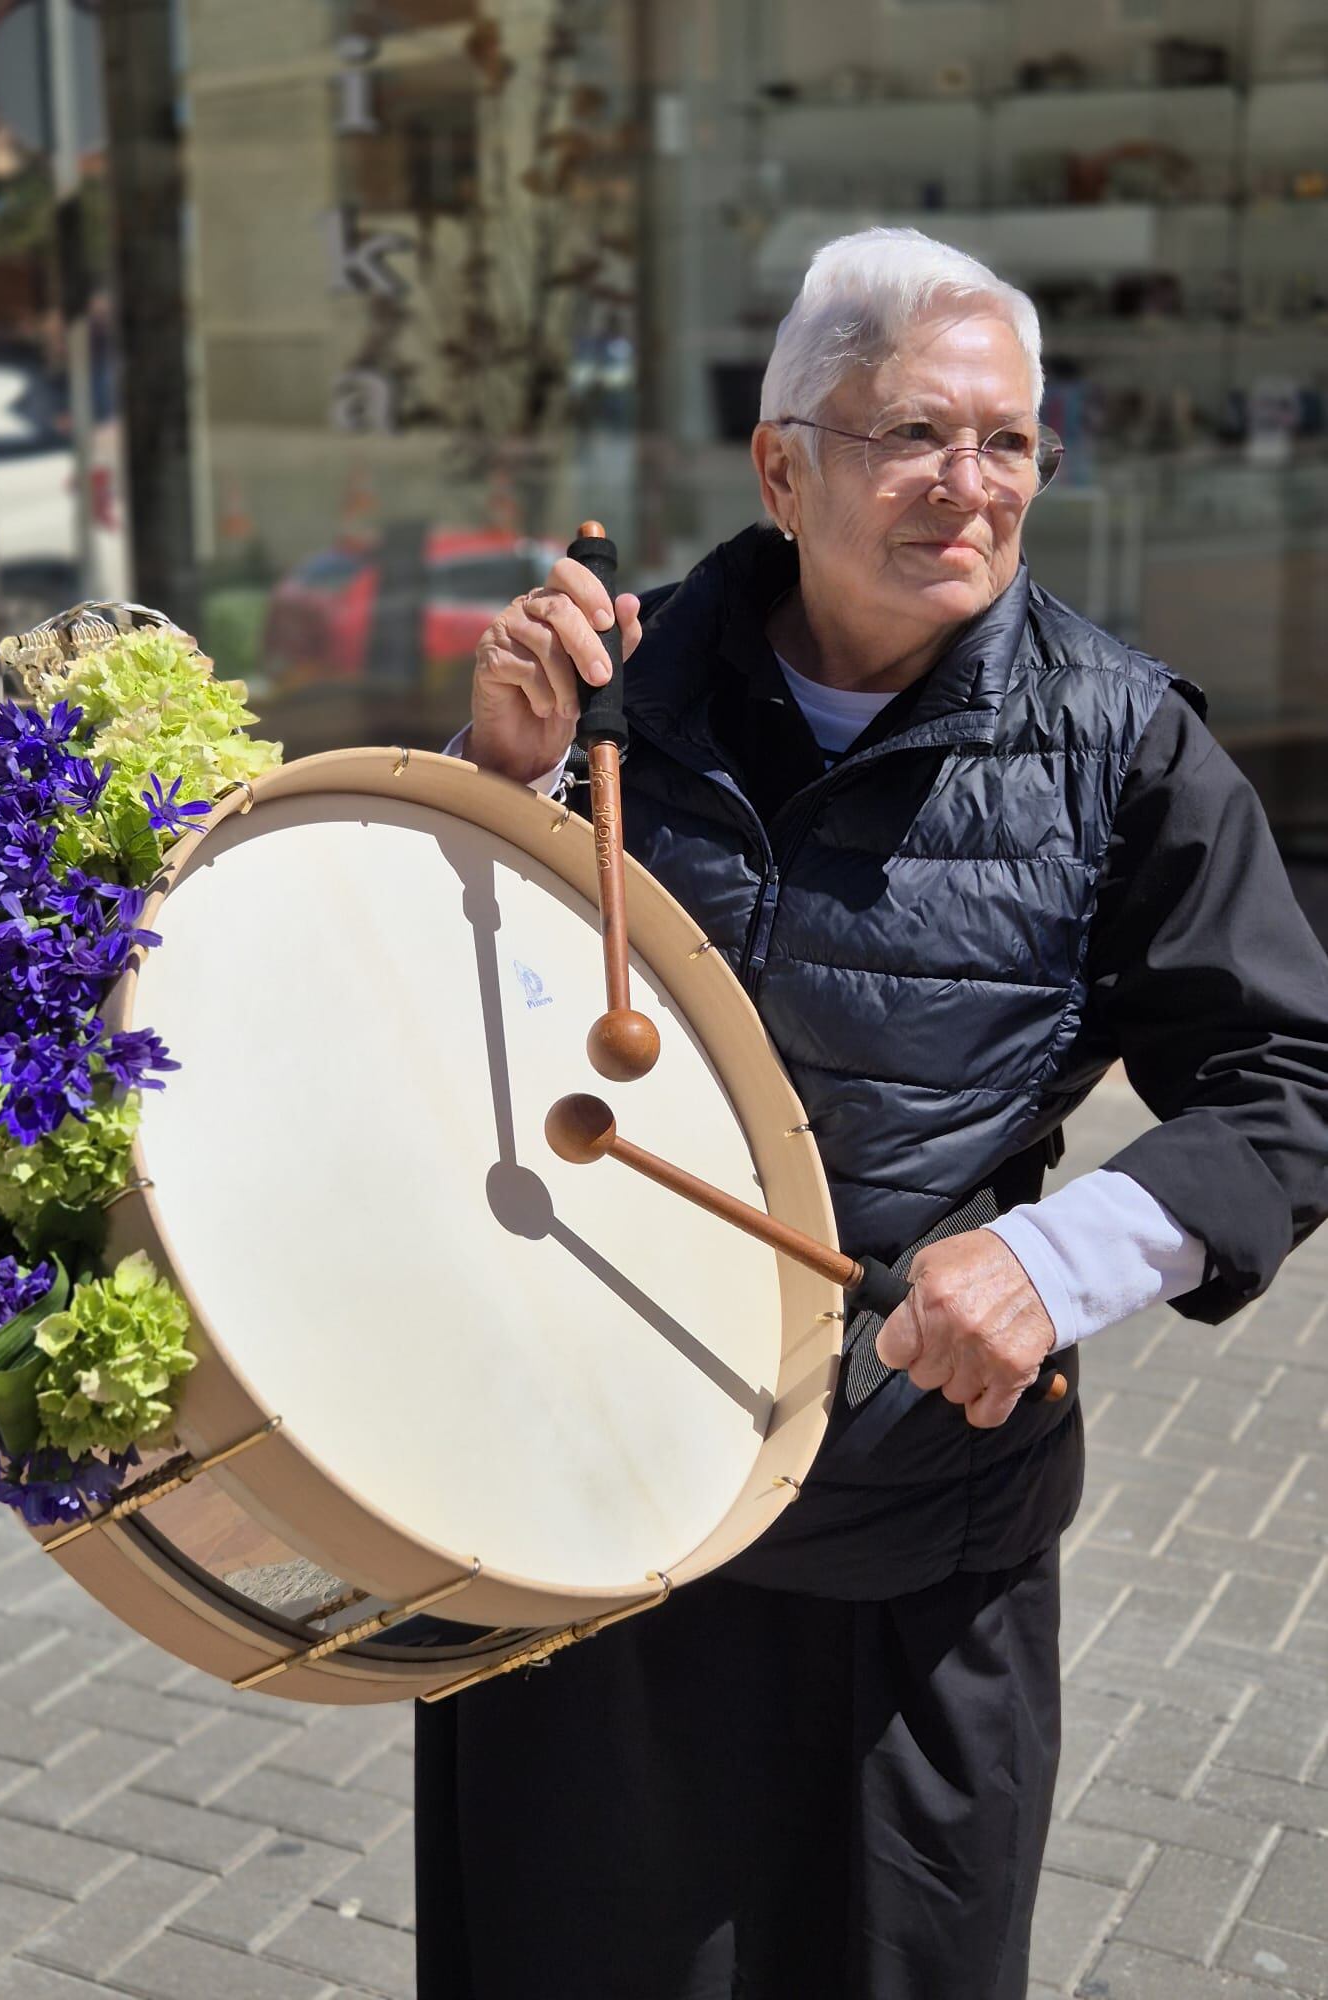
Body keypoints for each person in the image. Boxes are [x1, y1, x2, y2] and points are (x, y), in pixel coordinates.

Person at [418, 227, 1328, 1999]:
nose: (969, 487)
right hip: (574, 1504)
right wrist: (492, 782)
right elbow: (454, 1039)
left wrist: (1057, 1263)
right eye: (915, 435)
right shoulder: (621, 688)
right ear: (781, 465)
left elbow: (1290, 1078)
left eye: (1009, 442)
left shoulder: (1119, 743)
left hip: (904, 1541)